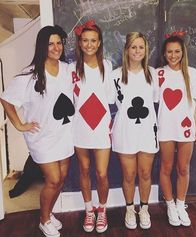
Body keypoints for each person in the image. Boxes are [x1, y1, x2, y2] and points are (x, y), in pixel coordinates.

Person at [0, 25, 75, 237]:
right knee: (52, 179)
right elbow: (6, 99)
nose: (56, 47)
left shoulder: (67, 69)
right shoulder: (29, 75)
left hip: (63, 133)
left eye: (59, 43)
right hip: (41, 137)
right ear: (42, 46)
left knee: (61, 178)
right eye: (50, 43)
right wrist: (19, 124)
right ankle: (44, 220)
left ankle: (49, 214)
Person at [108, 32, 159, 229]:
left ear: (146, 50)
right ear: (127, 50)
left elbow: (155, 101)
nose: (137, 51)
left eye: (141, 47)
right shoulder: (115, 75)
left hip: (147, 130)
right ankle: (130, 209)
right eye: (133, 47)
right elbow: (110, 102)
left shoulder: (153, 74)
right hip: (124, 131)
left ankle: (144, 209)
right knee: (129, 175)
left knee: (145, 173)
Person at [69, 20, 112, 233]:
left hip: (102, 126)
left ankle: (102, 211)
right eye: (85, 40)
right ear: (79, 42)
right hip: (80, 127)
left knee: (102, 173)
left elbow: (111, 97)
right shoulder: (71, 68)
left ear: (99, 42)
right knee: (84, 169)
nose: (89, 44)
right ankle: (89, 210)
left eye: (93, 40)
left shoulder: (107, 65)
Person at [156, 32, 196, 227]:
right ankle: (170, 204)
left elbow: (194, 102)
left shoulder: (192, 72)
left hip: (186, 127)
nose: (173, 56)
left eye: (177, 51)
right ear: (164, 54)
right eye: (169, 52)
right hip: (166, 126)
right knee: (166, 167)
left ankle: (181, 204)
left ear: (183, 52)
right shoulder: (158, 73)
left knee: (183, 168)